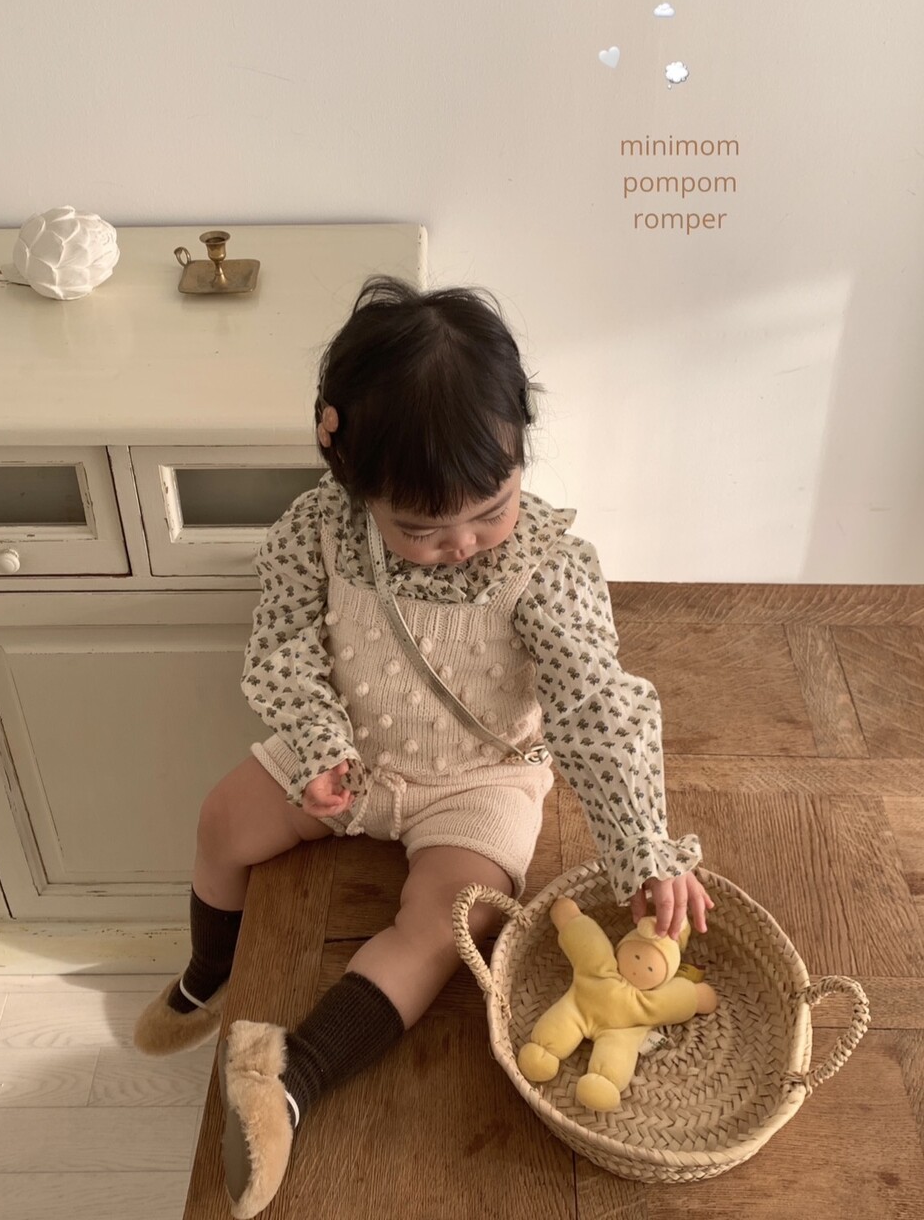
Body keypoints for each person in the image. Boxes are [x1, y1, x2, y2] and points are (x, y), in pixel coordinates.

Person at [133, 274, 714, 1218]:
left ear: (520, 446)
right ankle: (207, 977)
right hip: (348, 758)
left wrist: (644, 847)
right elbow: (284, 645)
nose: (465, 544)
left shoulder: (547, 566)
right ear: (347, 471)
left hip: (481, 779)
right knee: (222, 821)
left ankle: (291, 1077)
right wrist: (317, 748)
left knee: (452, 924)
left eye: (492, 507)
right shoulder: (314, 533)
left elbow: (595, 705)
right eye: (421, 528)